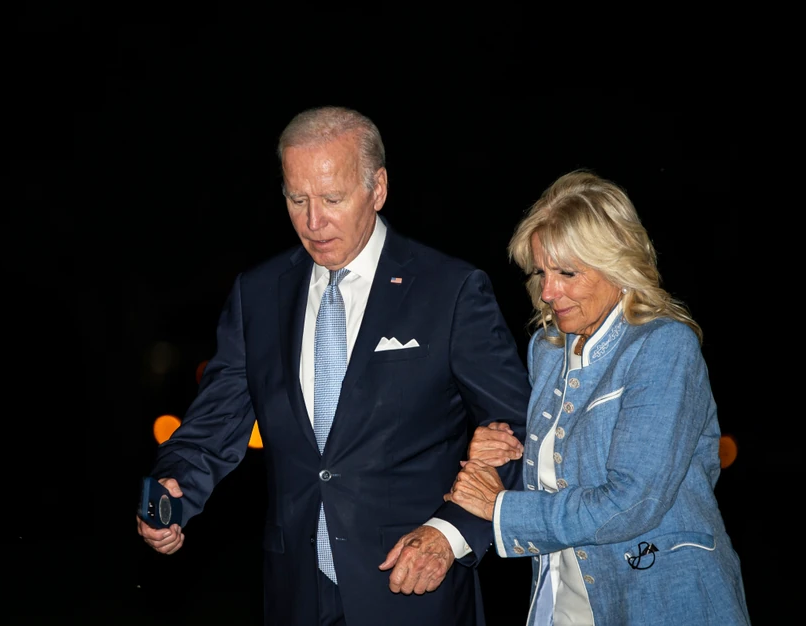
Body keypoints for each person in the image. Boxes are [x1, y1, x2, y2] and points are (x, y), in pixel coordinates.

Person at [136, 105, 532, 626]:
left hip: (415, 589)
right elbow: (213, 425)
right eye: (297, 199)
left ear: (378, 188)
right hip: (295, 592)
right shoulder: (258, 294)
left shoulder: (450, 290)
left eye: (332, 199)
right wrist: (173, 486)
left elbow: (519, 429)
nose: (313, 221)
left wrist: (452, 532)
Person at [443, 170, 751, 625]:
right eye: (541, 272)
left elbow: (634, 500)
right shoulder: (548, 350)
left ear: (617, 265)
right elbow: (569, 471)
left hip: (662, 600)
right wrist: (507, 451)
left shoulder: (663, 345)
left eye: (567, 272)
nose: (548, 292)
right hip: (563, 602)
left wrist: (502, 509)